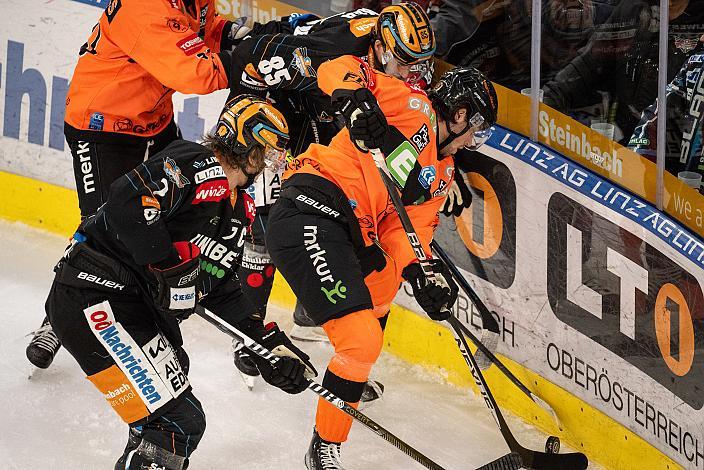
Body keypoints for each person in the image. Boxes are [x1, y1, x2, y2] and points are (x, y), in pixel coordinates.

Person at [44, 95, 316, 470]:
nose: (272, 163)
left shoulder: (238, 209)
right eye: (269, 152)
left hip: (129, 307)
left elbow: (218, 285)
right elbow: (128, 198)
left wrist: (263, 342)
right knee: (178, 423)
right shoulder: (196, 161)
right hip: (96, 294)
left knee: (164, 412)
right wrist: (170, 266)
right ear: (249, 150)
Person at [265, 60, 498, 468]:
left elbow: (406, 234)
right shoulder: (410, 104)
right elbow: (339, 66)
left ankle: (350, 373)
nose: (473, 139)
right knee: (362, 340)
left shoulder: (441, 175)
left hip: (357, 231)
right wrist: (356, 102)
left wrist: (420, 274)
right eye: (477, 127)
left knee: (386, 281)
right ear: (459, 115)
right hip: (314, 206)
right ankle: (324, 448)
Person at [26, 0, 260, 370]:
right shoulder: (145, 4)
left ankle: (146, 303)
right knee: (104, 227)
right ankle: (56, 319)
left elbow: (200, 29)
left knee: (191, 195)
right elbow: (194, 74)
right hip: (100, 124)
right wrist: (249, 58)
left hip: (153, 120)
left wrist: (228, 33)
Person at [222, 3, 437, 376]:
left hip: (321, 103)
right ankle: (250, 334)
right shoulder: (335, 52)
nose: (410, 72)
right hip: (277, 99)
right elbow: (249, 58)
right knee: (269, 208)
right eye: (403, 61)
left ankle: (313, 302)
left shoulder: (378, 51)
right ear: (382, 48)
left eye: (417, 63)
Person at [628, 35, 704, 180]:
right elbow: (657, 118)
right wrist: (638, 168)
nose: (701, 38)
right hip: (686, 195)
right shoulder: (696, 65)